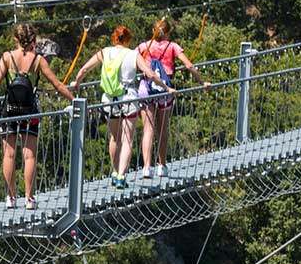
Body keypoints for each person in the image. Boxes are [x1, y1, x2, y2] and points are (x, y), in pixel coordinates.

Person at [0, 23, 73, 210]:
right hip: (29, 112)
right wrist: (75, 99)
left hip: (10, 110)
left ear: (15, 39)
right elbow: (57, 85)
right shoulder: (39, 60)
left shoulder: (7, 57)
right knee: (29, 156)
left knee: (9, 154)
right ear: (33, 39)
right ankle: (29, 198)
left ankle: (10, 197)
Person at [135, 18, 208, 179]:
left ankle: (147, 167)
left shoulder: (143, 47)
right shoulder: (173, 46)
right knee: (162, 130)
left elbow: (131, 63)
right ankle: (162, 166)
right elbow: (189, 65)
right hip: (165, 90)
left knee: (148, 129)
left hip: (146, 88)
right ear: (167, 32)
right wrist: (202, 82)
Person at [78, 26, 144, 188]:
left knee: (114, 138)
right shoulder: (133, 54)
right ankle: (121, 175)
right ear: (128, 39)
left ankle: (114, 172)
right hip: (128, 99)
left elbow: (85, 68)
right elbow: (149, 73)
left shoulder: (105, 52)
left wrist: (77, 83)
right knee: (128, 140)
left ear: (114, 38)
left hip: (109, 101)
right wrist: (165, 87)